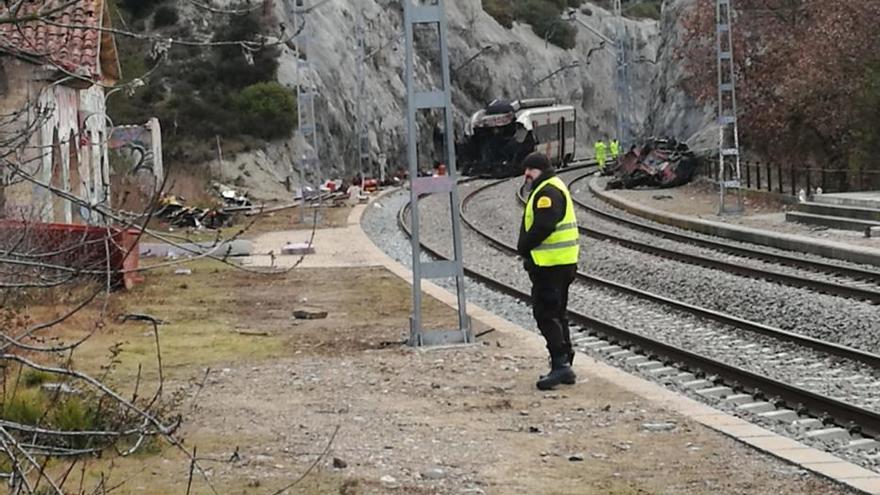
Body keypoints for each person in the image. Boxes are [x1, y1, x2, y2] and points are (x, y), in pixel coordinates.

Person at [517, 152, 580, 390]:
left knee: (545, 313)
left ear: (540, 169)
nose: (526, 175)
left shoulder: (547, 192)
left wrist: (523, 246)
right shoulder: (552, 186)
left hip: (551, 264)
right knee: (557, 312)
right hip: (560, 262)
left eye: (529, 170)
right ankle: (565, 363)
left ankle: (561, 364)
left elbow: (544, 224)